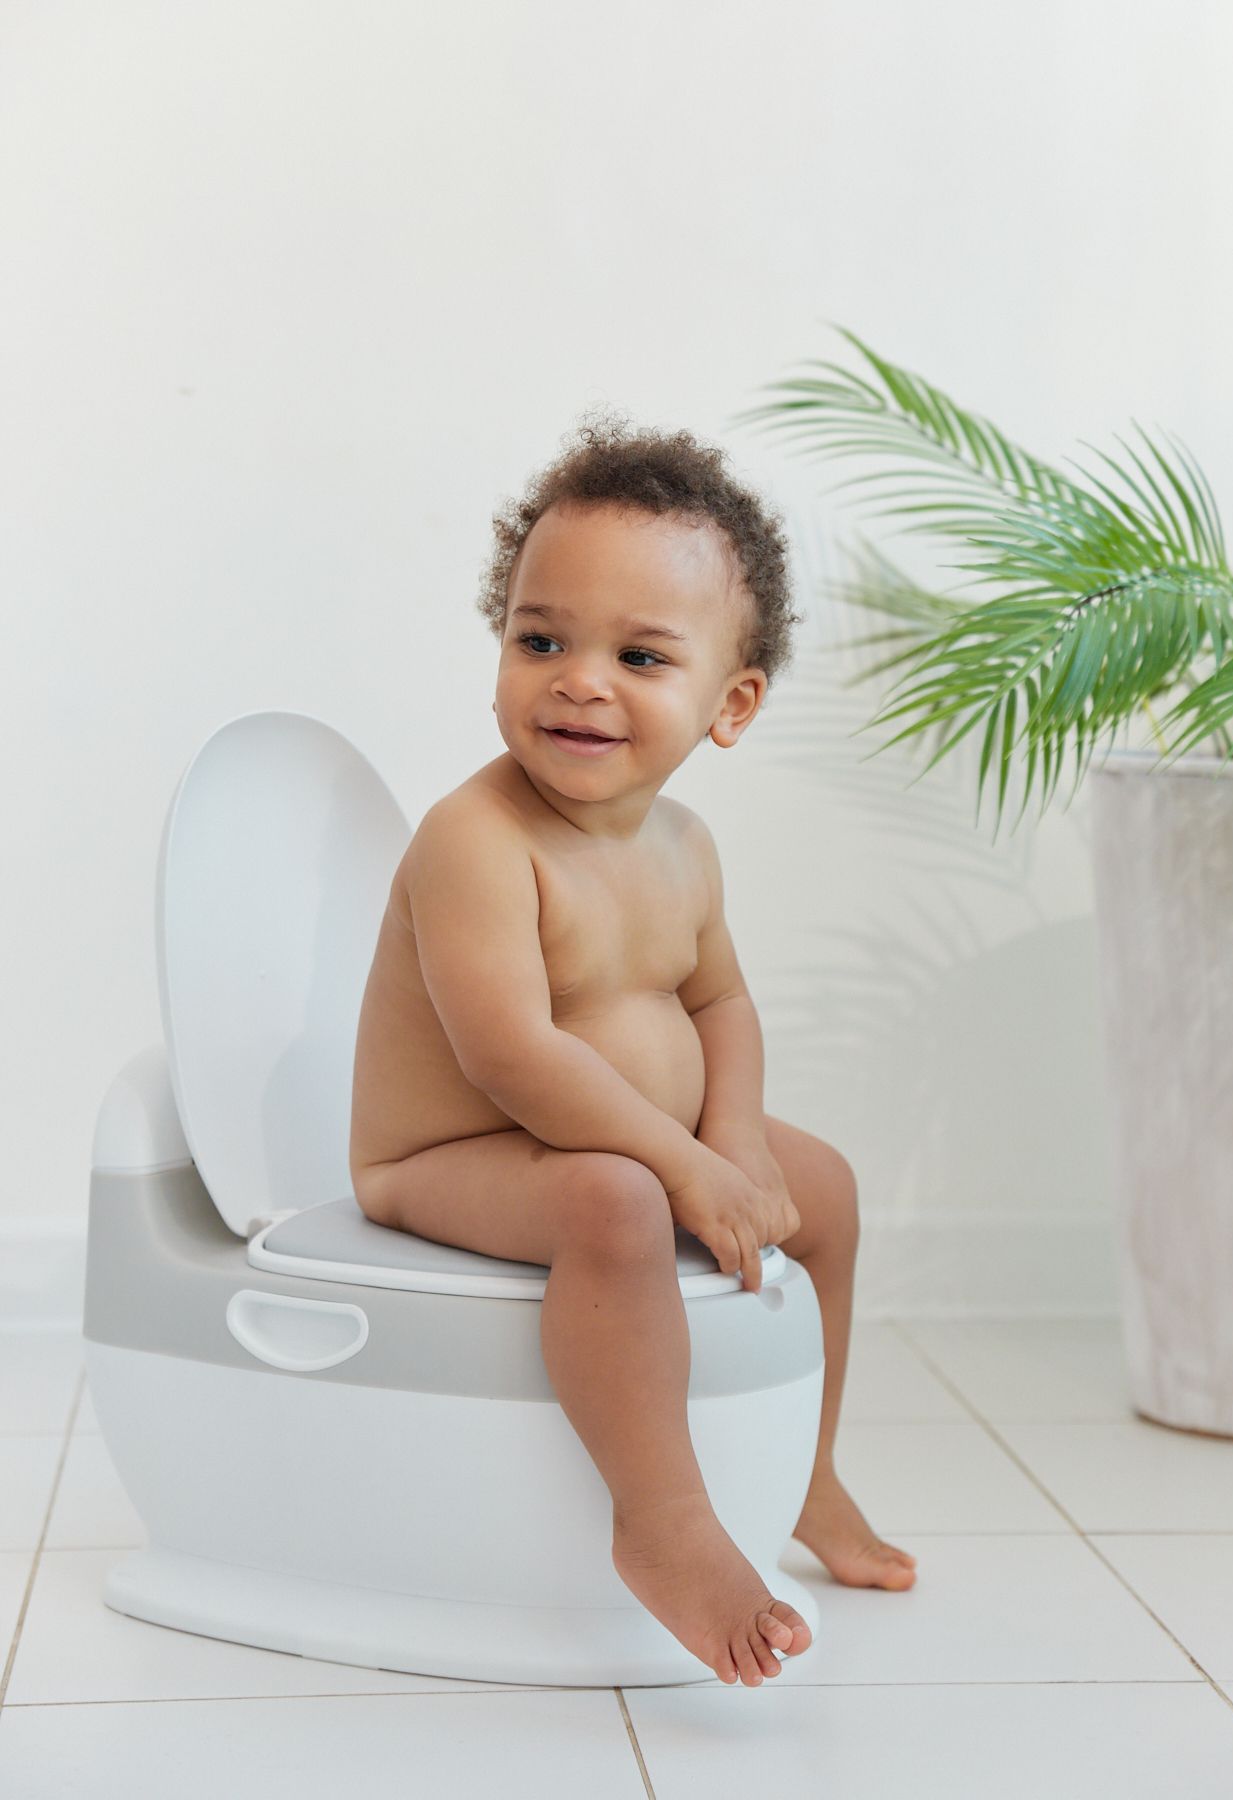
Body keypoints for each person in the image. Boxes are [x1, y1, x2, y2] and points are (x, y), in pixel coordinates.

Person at [348, 412, 917, 1689]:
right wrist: (684, 1165)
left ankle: (807, 1474)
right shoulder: (475, 839)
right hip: (452, 1154)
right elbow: (510, 1059)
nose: (579, 680)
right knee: (613, 1200)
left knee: (822, 1190)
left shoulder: (684, 847)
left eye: (640, 655)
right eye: (540, 640)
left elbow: (725, 1006)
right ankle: (663, 1522)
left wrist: (735, 1142)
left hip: (634, 1145)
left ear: (731, 703)